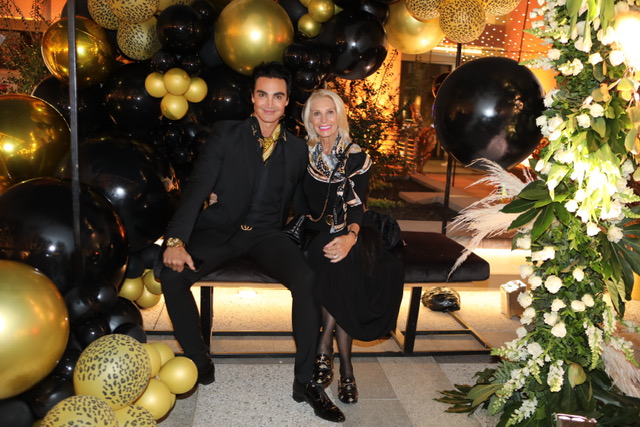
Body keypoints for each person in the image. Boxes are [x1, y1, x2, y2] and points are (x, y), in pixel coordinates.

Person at [158, 62, 345, 423]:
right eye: (263, 95)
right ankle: (199, 360)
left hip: (267, 236)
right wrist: (176, 239)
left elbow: (309, 203)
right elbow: (198, 187)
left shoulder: (297, 149)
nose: (270, 103)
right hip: (220, 232)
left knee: (307, 281)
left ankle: (305, 383)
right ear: (252, 98)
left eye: (278, 96)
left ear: (287, 102)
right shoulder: (226, 134)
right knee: (171, 276)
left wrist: (344, 221)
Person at [300, 89, 404, 404]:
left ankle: (326, 351)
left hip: (353, 230)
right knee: (333, 260)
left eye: (329, 112)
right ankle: (346, 370)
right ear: (309, 120)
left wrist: (350, 237)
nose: (324, 119)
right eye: (316, 113)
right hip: (315, 231)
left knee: (341, 262)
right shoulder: (303, 154)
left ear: (339, 116)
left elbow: (357, 207)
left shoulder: (357, 156)